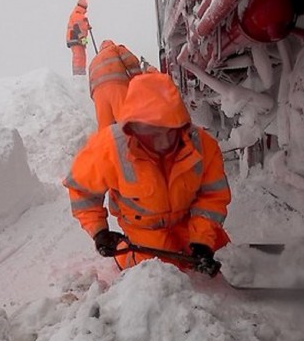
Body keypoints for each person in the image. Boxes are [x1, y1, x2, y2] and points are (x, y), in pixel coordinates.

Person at [63, 73, 231, 276]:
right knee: (157, 273)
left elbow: (212, 198)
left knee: (222, 257)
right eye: (149, 133)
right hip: (146, 231)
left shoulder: (203, 146)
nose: (159, 142)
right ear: (132, 128)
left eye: (166, 133)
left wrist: (202, 241)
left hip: (188, 221)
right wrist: (99, 231)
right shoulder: (109, 147)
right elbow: (82, 190)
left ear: (180, 126)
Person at [88, 40, 143, 130]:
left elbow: (91, 85)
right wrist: (137, 80)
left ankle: (107, 143)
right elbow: (131, 62)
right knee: (126, 120)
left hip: (98, 95)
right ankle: (131, 141)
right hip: (116, 87)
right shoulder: (116, 49)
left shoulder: (93, 62)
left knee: (105, 128)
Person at [65, 0, 91, 75]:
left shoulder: (80, 16)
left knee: (82, 56)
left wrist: (87, 26)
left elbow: (81, 27)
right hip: (76, 38)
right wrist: (82, 38)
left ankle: (81, 73)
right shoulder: (77, 15)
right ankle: (78, 74)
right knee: (79, 57)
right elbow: (76, 27)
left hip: (78, 39)